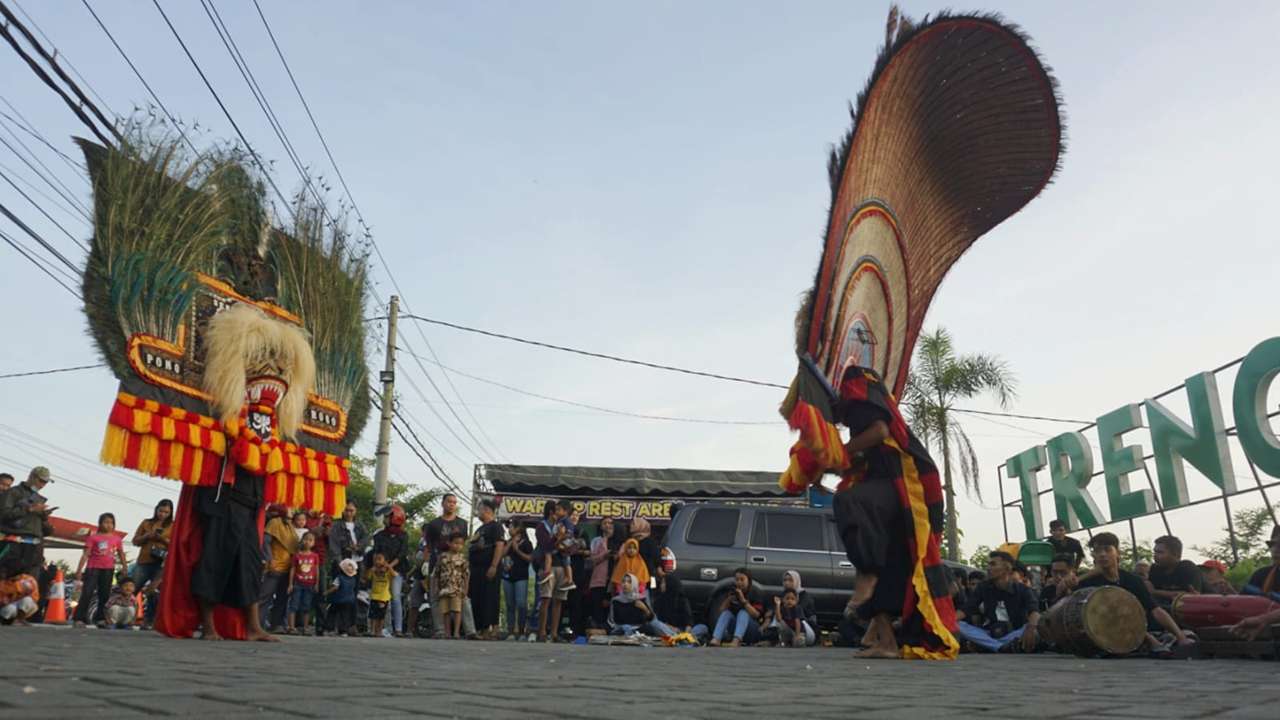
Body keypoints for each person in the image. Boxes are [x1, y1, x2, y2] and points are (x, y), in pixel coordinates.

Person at [829, 367, 958, 659]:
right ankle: (885, 640)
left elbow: (880, 432)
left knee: (849, 502)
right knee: (894, 563)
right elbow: (862, 458)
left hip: (908, 485)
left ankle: (868, 574)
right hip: (895, 489)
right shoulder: (857, 413)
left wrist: (841, 453)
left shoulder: (858, 397)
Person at [1077, 532, 1195, 656]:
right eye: (1097, 551)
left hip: (1138, 630)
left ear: (1118, 553)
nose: (1102, 554)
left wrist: (1181, 637)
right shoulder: (1086, 582)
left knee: (1186, 636)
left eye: (1107, 550)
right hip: (1103, 634)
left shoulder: (1133, 580)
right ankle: (1152, 642)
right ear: (1093, 555)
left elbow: (1155, 610)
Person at [956, 550, 1040, 653]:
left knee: (1034, 626)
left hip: (1014, 633)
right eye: (988, 565)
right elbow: (968, 608)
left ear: (1007, 568)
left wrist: (1031, 628)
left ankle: (991, 646)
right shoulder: (983, 588)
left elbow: (1034, 611)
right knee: (958, 624)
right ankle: (1000, 647)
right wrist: (947, 621)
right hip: (990, 634)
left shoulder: (1023, 589)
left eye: (993, 564)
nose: (988, 568)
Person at [425, 494, 470, 638]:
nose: (452, 504)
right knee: (435, 598)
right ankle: (440, 630)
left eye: (454, 502)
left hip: (457, 566)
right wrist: (426, 564)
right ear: (443, 503)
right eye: (449, 502)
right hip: (438, 564)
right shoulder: (433, 524)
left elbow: (464, 543)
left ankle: (470, 631)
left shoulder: (462, 523)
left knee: (463, 598)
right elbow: (429, 546)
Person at [73, 512, 128, 629]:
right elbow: (85, 554)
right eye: (106, 522)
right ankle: (79, 618)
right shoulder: (93, 537)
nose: (108, 525)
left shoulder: (117, 539)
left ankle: (100, 618)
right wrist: (79, 570)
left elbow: (121, 554)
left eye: (111, 523)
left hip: (108, 569)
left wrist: (124, 567)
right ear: (100, 523)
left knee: (104, 594)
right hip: (93, 568)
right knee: (87, 593)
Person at [0, 466, 55, 578]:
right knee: (6, 583)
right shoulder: (13, 492)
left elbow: (41, 528)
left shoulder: (39, 499)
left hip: (34, 548)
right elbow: (4, 514)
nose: (43, 485)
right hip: (14, 544)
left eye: (45, 482)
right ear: (32, 477)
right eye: (41, 481)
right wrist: (29, 509)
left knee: (28, 586)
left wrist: (44, 517)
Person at [367, 505, 409, 637]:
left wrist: (390, 566)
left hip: (396, 570)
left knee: (395, 597)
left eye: (387, 516)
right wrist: (380, 566)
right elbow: (376, 552)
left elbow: (402, 554)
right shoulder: (379, 535)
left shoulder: (403, 535)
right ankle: (375, 629)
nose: (384, 519)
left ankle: (398, 629)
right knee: (377, 598)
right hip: (380, 571)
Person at [131, 499, 173, 629]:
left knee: (153, 592)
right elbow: (135, 541)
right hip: (144, 561)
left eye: (166, 512)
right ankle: (125, 617)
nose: (162, 514)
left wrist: (163, 539)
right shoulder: (146, 523)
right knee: (132, 589)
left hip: (161, 564)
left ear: (171, 512)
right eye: (160, 511)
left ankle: (149, 621)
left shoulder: (173, 525)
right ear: (156, 509)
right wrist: (147, 536)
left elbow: (175, 545)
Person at [259, 507, 302, 631]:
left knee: (282, 598)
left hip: (288, 567)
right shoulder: (274, 522)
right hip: (275, 564)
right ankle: (258, 623)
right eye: (290, 508)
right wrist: (269, 559)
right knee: (265, 596)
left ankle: (276, 624)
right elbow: (266, 542)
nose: (293, 510)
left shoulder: (290, 526)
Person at [468, 499, 507, 639]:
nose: (477, 512)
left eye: (479, 509)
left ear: (486, 510)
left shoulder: (496, 527)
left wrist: (494, 566)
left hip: (489, 567)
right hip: (476, 569)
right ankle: (479, 628)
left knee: (489, 598)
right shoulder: (479, 529)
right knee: (476, 598)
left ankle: (491, 628)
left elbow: (499, 546)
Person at [534, 500, 571, 642]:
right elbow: (547, 546)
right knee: (545, 599)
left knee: (559, 600)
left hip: (562, 564)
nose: (559, 513)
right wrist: (558, 538)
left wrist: (565, 541)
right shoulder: (541, 527)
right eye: (557, 510)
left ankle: (554, 633)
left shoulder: (563, 525)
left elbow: (569, 545)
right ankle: (541, 632)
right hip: (547, 566)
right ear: (551, 512)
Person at [608, 572, 677, 638]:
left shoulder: (641, 599)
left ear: (634, 584)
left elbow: (651, 619)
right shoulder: (616, 600)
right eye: (623, 581)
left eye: (629, 582)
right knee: (626, 627)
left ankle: (673, 636)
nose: (625, 584)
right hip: (621, 629)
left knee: (654, 624)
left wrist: (645, 609)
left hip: (639, 629)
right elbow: (611, 621)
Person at [708, 568, 764, 647]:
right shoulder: (733, 591)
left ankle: (736, 640)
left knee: (743, 612)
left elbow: (756, 615)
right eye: (737, 580)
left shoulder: (754, 593)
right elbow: (721, 611)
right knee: (727, 613)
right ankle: (716, 638)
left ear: (749, 580)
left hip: (752, 629)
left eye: (742, 580)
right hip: (736, 628)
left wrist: (743, 600)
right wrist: (728, 600)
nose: (739, 582)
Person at [1147, 535, 1204, 608]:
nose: (1155, 555)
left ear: (1176, 554)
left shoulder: (1187, 568)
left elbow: (1192, 596)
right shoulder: (1155, 569)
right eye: (1154, 552)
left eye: (1160, 552)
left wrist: (1155, 592)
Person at [764, 570, 818, 646]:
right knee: (777, 616)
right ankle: (778, 640)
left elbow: (797, 619)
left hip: (806, 630)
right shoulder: (784, 596)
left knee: (798, 640)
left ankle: (794, 639)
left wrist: (797, 635)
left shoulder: (804, 597)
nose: (787, 583)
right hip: (791, 628)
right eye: (785, 580)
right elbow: (778, 617)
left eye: (790, 580)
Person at [502, 519, 533, 638]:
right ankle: (510, 631)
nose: (509, 529)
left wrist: (517, 550)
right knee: (510, 605)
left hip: (521, 577)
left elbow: (530, 558)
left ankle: (521, 631)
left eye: (510, 527)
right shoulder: (508, 541)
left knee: (521, 604)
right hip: (507, 576)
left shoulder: (526, 543)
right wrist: (511, 543)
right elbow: (502, 554)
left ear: (517, 528)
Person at [435, 532, 469, 639]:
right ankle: (447, 632)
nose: (458, 546)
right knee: (446, 611)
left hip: (457, 588)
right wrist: (436, 587)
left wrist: (465, 588)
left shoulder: (462, 558)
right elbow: (437, 573)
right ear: (449, 543)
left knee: (457, 610)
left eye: (460, 544)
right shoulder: (442, 557)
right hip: (444, 588)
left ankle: (456, 632)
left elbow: (466, 574)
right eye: (455, 543)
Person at [651, 568, 699, 640]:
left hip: (683, 630)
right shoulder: (660, 600)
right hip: (670, 629)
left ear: (670, 584)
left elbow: (689, 621)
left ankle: (684, 638)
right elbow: (661, 621)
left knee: (702, 627)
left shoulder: (681, 600)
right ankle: (678, 637)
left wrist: (686, 633)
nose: (661, 585)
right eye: (661, 583)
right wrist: (673, 628)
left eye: (663, 583)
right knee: (654, 624)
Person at [286, 531, 320, 635]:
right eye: (306, 539)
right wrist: (290, 584)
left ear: (313, 543)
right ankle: (291, 627)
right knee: (293, 605)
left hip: (310, 584)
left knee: (306, 606)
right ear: (302, 540)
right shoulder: (297, 555)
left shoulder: (315, 556)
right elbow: (292, 569)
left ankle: (305, 628)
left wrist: (317, 583)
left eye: (310, 540)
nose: (307, 542)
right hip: (297, 584)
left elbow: (316, 570)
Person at [588, 517, 616, 629]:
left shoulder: (617, 541)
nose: (608, 525)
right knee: (597, 608)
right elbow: (592, 560)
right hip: (598, 580)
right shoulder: (596, 541)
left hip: (612, 580)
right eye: (605, 523)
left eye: (610, 523)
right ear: (601, 526)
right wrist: (604, 555)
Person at [326, 502, 368, 570]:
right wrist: (341, 563)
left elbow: (365, 538)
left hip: (358, 560)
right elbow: (334, 546)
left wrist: (358, 547)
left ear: (355, 511)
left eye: (351, 511)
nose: (348, 513)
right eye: (346, 510)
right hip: (343, 560)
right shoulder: (336, 526)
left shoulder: (360, 525)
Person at [365, 551, 396, 638]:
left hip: (384, 597)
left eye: (379, 559)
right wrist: (371, 570)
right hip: (374, 596)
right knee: (372, 615)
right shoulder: (373, 570)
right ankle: (372, 631)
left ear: (385, 561)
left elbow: (394, 575)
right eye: (375, 560)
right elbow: (367, 577)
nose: (377, 561)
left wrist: (389, 567)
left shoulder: (388, 571)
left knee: (381, 616)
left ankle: (379, 632)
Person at [326, 558, 359, 637]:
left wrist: (326, 592)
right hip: (349, 600)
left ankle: (330, 629)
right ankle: (343, 631)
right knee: (345, 616)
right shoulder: (353, 579)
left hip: (338, 599)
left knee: (332, 613)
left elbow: (335, 587)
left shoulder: (339, 578)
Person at [629, 516, 659, 582]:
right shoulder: (632, 541)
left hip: (650, 574)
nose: (631, 526)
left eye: (634, 524)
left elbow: (656, 557)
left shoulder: (650, 542)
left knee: (652, 589)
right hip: (636, 574)